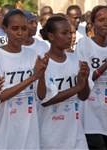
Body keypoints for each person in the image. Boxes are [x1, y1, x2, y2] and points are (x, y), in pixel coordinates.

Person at [0, 9, 49, 149]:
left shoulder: (32, 54)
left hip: (29, 131)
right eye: (15, 29)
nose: (20, 33)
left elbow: (41, 96)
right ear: (5, 29)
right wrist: (32, 78)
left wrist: (42, 74)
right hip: (3, 130)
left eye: (24, 29)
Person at [38, 16, 91, 149]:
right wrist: (78, 86)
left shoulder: (75, 59)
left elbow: (83, 96)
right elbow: (45, 100)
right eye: (64, 33)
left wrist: (84, 79)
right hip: (51, 137)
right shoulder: (43, 63)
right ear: (51, 36)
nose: (70, 37)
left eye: (71, 33)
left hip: (75, 134)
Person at [75, 5, 107, 150]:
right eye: (101, 20)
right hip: (90, 114)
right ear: (93, 23)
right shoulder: (84, 44)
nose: (106, 24)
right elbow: (85, 80)